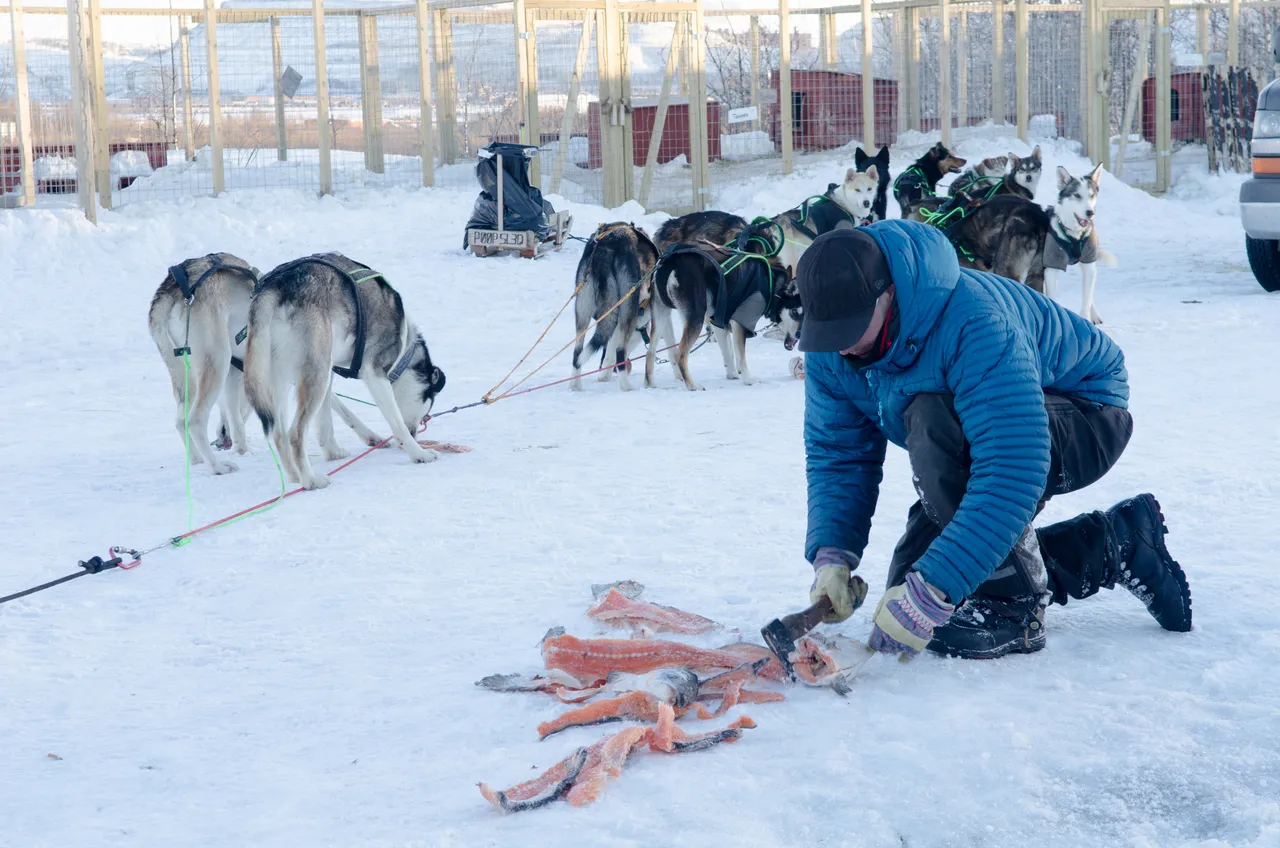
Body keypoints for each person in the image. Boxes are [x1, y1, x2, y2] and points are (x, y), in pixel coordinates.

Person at [797, 221, 1192, 660]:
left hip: (1084, 413)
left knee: (932, 422)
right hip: (973, 434)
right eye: (828, 333)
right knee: (908, 589)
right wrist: (833, 555)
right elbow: (839, 455)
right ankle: (1115, 543)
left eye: (850, 328)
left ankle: (1015, 611)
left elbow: (1011, 470)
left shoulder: (974, 321)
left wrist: (935, 591)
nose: (842, 347)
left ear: (887, 293)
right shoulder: (833, 348)